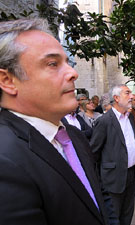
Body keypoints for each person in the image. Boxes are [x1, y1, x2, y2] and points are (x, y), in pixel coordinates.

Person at [0, 19, 117, 225]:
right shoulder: (6, 160)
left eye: (67, 63)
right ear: (8, 81)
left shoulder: (72, 136)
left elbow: (98, 197)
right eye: (52, 64)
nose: (73, 73)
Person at [90, 84, 135, 225]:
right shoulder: (104, 121)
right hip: (112, 178)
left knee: (127, 213)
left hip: (130, 174)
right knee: (113, 217)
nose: (131, 96)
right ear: (116, 98)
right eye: (127, 93)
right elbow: (94, 153)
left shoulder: (130, 118)